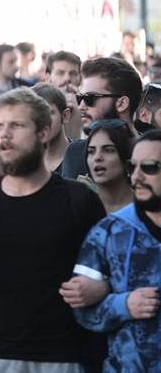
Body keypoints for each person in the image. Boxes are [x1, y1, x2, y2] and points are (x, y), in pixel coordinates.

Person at [0, 87, 106, 372]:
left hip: (60, 355)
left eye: (16, 125)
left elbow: (111, 272)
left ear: (43, 133)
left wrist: (99, 288)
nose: (5, 134)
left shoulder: (79, 199)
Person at [71, 128, 161, 372]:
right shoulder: (107, 232)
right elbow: (81, 311)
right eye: (133, 166)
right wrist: (123, 305)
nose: (137, 176)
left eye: (149, 167)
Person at [61, 57, 143, 180]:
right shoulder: (75, 153)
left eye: (90, 98)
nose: (81, 106)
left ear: (122, 103)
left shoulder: (153, 152)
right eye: (79, 98)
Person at [82, 119, 133, 214]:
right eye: (91, 151)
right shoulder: (77, 210)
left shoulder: (150, 210)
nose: (97, 157)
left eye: (108, 150)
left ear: (126, 155)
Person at [31, 82, 71, 174]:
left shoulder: (83, 158)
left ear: (65, 116)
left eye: (47, 113)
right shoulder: (23, 163)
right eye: (34, 115)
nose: (41, 120)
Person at [44, 51, 83, 140]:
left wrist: (82, 111)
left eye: (73, 74)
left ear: (80, 78)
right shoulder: (36, 105)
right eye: (60, 73)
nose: (67, 78)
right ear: (48, 78)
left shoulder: (88, 106)